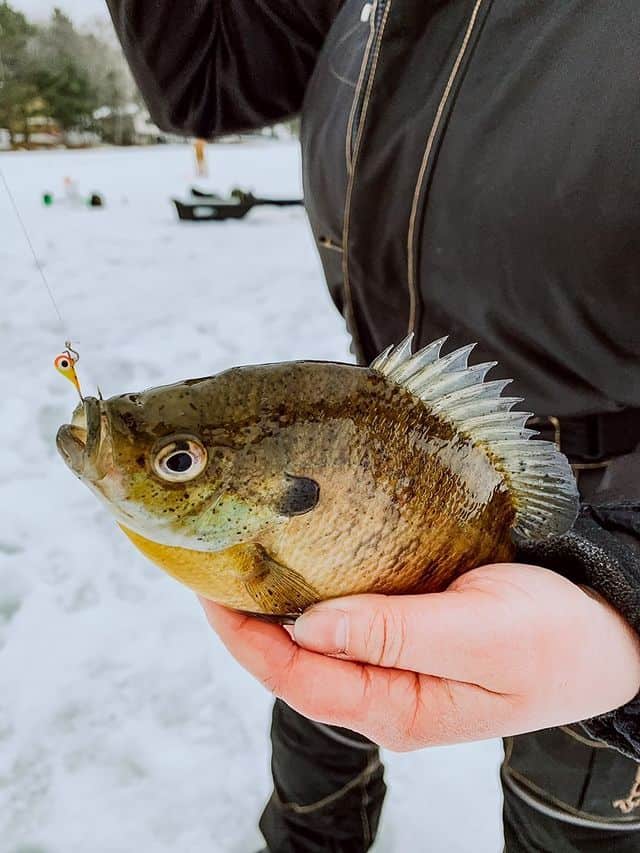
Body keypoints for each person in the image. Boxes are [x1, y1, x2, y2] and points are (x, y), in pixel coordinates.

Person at [106, 2, 640, 850]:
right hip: (364, 447)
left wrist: (629, 602)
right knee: (315, 734)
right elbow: (201, 85)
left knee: (570, 812)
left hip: (602, 515)